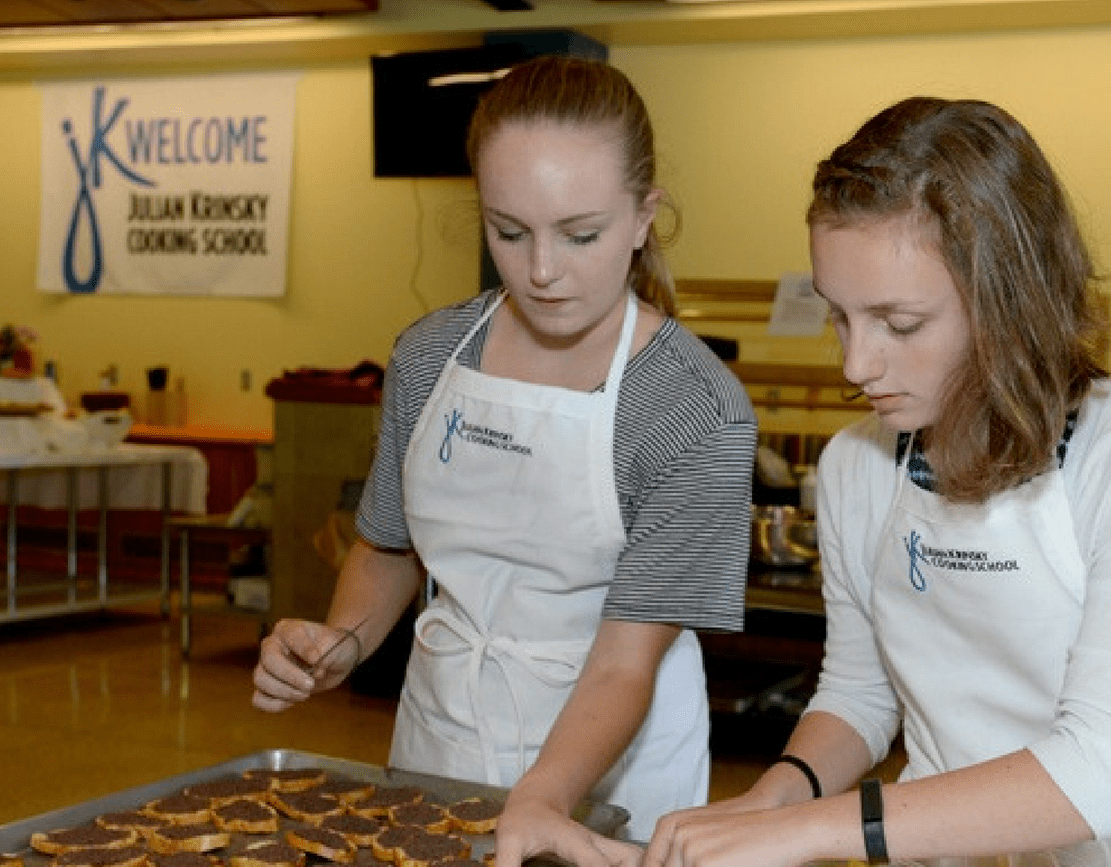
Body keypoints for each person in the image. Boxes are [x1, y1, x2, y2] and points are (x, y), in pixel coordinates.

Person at [640, 97, 1111, 866]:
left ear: (1006, 301)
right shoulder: (859, 465)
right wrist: (769, 800)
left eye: (900, 323)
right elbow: (861, 690)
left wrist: (810, 829)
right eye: (840, 317)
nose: (856, 365)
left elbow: (1103, 772)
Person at [251, 55, 756, 864]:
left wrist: (541, 798)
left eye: (580, 234)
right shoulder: (429, 357)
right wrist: (339, 642)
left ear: (642, 216)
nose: (542, 270)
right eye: (509, 232)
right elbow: (389, 547)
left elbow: (627, 660)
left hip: (611, 767)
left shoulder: (692, 408)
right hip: (438, 737)